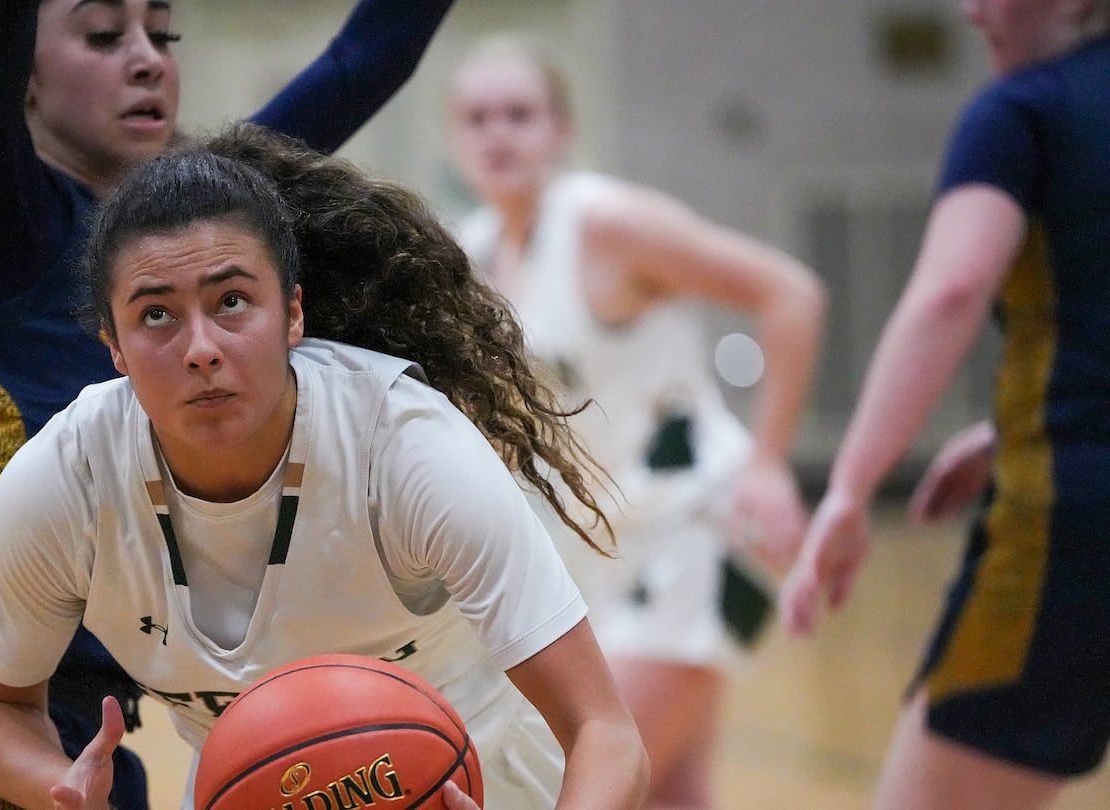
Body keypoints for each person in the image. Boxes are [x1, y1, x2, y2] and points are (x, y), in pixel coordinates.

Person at [0, 2, 457, 808]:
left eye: (162, 34)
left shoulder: (202, 224)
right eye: (104, 35)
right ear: (21, 77)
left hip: (97, 741)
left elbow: (368, 56)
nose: (147, 59)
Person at [0, 124, 650, 810]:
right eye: (157, 316)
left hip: (486, 782)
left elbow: (607, 732)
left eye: (231, 302)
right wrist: (54, 785)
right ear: (114, 347)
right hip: (252, 789)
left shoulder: (404, 447)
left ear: (291, 314)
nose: (200, 348)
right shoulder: (63, 482)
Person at [444, 34, 825, 809]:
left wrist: (770, 462)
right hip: (599, 547)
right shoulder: (473, 252)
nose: (499, 134)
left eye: (519, 114)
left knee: (596, 775)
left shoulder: (608, 224)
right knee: (672, 790)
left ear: (561, 129)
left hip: (697, 527)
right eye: (478, 118)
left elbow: (791, 294)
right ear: (455, 138)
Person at [779, 0, 1110, 807]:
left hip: (1075, 523)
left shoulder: (1025, 110)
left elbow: (951, 289)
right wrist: (1010, 425)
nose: (970, 10)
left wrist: (851, 489)